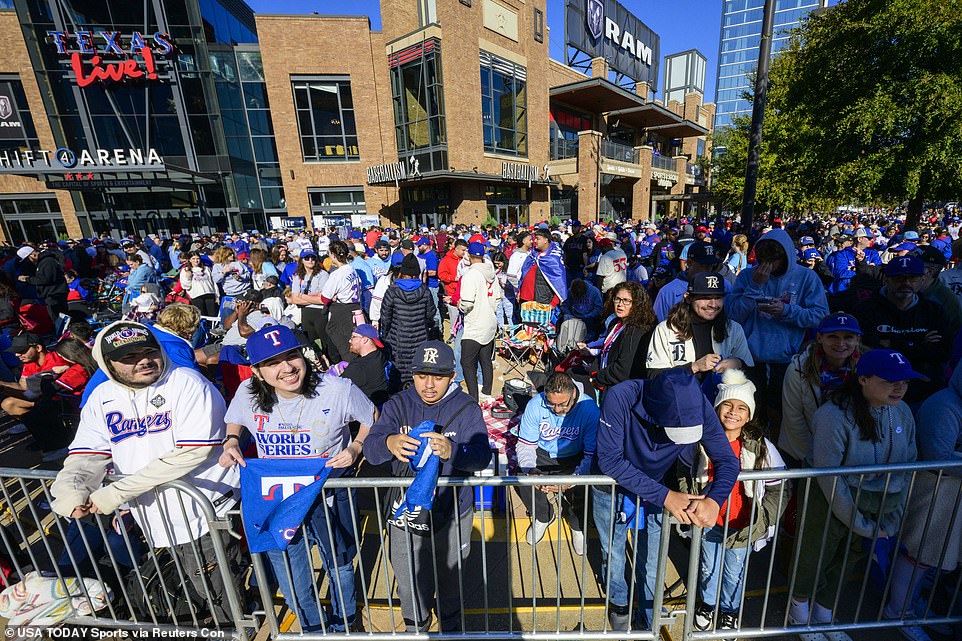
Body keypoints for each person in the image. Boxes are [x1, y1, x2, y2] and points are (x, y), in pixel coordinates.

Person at [50, 322, 241, 624]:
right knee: (189, 581)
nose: (143, 360)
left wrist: (116, 492)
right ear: (107, 363)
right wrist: (71, 487)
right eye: (129, 357)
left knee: (216, 587)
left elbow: (192, 452)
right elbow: (87, 453)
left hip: (204, 509)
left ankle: (233, 627)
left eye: (149, 351)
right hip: (153, 513)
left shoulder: (187, 383)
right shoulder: (102, 397)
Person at [220, 324, 374, 633]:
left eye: (292, 356)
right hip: (279, 501)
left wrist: (356, 446)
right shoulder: (247, 393)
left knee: (340, 565)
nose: (287, 368)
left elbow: (371, 418)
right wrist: (231, 440)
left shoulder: (338, 389)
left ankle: (345, 622)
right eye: (273, 362)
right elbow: (234, 421)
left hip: (328, 494)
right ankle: (312, 627)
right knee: (292, 573)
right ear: (258, 371)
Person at [789, 349, 920, 641]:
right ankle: (799, 614)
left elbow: (909, 463)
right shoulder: (833, 416)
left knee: (849, 557)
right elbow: (830, 478)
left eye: (905, 381)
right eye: (890, 380)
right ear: (863, 379)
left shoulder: (903, 412)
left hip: (876, 501)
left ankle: (825, 614)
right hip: (829, 497)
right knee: (815, 556)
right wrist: (860, 523)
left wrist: (893, 514)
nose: (900, 387)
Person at [594, 369, 739, 631]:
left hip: (657, 490)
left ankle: (650, 617)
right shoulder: (620, 396)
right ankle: (619, 604)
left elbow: (728, 459)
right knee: (612, 553)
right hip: (611, 488)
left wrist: (714, 500)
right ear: (654, 411)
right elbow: (610, 460)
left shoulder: (697, 402)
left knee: (651, 560)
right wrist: (666, 496)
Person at [363, 341, 491, 633]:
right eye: (422, 376)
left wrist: (454, 451)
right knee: (408, 577)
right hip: (405, 513)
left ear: (452, 376)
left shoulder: (466, 407)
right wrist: (389, 442)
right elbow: (371, 449)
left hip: (453, 510)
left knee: (451, 576)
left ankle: (450, 623)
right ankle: (416, 624)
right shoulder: (399, 404)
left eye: (439, 377)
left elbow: (483, 455)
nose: (429, 385)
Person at [682, 370, 789, 635]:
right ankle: (707, 605)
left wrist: (765, 519)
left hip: (743, 524)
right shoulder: (700, 441)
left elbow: (781, 486)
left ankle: (729, 612)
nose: (733, 412)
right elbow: (684, 473)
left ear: (750, 414)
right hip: (709, 521)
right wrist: (691, 504)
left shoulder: (761, 446)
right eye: (727, 405)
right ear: (717, 407)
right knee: (708, 567)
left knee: (734, 572)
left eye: (741, 407)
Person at [726, 229, 829, 435]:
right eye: (764, 259)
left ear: (788, 256)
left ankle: (776, 453)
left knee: (779, 413)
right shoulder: (748, 275)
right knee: (751, 413)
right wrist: (755, 286)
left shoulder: (806, 277)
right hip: (750, 358)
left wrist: (787, 311)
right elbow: (733, 316)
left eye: (775, 259)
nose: (769, 265)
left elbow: (821, 316)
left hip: (786, 359)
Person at [886, 362, 962, 641]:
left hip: (950, 495)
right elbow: (936, 455)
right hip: (933, 492)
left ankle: (909, 606)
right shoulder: (945, 405)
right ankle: (897, 612)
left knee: (928, 560)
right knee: (917, 556)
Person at [516, 372, 598, 555]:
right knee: (523, 477)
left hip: (574, 455)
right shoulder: (535, 404)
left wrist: (574, 479)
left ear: (574, 395)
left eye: (563, 404)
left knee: (583, 487)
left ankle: (577, 524)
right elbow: (525, 445)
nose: (557, 410)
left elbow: (591, 454)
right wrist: (531, 471)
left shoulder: (589, 409)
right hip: (543, 454)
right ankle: (543, 516)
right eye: (551, 403)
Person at [852, 255, 952, 405]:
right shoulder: (865, 310)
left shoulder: (934, 311)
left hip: (925, 393)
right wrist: (921, 345)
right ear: (887, 279)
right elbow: (868, 351)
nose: (906, 283)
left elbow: (943, 352)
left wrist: (891, 344)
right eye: (899, 278)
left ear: (922, 280)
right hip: (878, 396)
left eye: (912, 278)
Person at [779, 313, 862, 468]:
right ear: (819, 338)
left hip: (851, 452)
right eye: (833, 336)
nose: (841, 343)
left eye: (848, 337)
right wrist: (815, 458)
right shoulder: (798, 368)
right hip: (804, 452)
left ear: (857, 340)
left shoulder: (867, 368)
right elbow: (794, 418)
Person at [646, 272, 753, 379]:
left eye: (718, 297)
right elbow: (654, 376)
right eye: (705, 297)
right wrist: (694, 367)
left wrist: (739, 364)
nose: (713, 304)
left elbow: (753, 373)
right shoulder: (666, 329)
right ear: (688, 298)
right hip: (682, 395)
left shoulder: (733, 329)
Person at [1, 333, 87, 460]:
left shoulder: (56, 362)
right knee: (9, 404)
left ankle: (60, 443)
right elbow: (25, 388)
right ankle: (46, 438)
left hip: (64, 402)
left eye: (22, 351)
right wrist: (3, 386)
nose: (17, 355)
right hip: (48, 398)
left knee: (36, 411)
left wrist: (4, 387)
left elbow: (40, 392)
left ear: (38, 348)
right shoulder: (29, 361)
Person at [576, 281, 655, 398]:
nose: (620, 304)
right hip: (607, 382)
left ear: (637, 304)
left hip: (622, 391)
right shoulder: (615, 323)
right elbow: (607, 349)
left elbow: (623, 368)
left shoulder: (637, 330)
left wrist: (597, 377)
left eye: (626, 301)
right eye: (617, 299)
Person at [380, 254, 439, 385]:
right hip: (420, 338)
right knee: (417, 372)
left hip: (398, 339)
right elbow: (431, 314)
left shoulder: (392, 291)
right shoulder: (425, 291)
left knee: (398, 375)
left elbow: (385, 317)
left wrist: (385, 337)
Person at [458, 241, 502, 402]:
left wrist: (460, 306)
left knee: (467, 362)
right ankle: (487, 392)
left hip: (475, 324)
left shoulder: (470, 274)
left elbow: (467, 303)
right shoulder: (491, 273)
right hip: (490, 320)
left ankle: (473, 398)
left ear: (468, 255)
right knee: (485, 360)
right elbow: (498, 298)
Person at [653, 242, 729, 323]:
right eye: (704, 265)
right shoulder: (668, 291)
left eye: (711, 265)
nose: (708, 269)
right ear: (689, 262)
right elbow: (658, 323)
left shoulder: (724, 285)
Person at [320, 241, 363, 364]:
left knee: (346, 347)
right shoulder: (353, 270)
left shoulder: (337, 274)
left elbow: (325, 298)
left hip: (343, 313)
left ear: (333, 255)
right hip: (356, 308)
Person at [340, 324, 398, 407]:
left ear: (365, 340)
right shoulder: (381, 356)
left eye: (353, 337)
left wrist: (332, 370)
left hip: (365, 412)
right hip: (383, 405)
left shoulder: (358, 367)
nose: (350, 340)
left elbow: (336, 388)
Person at [290, 251, 330, 353]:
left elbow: (322, 299)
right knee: (312, 343)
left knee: (326, 342)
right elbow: (294, 299)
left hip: (320, 313)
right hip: (305, 313)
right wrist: (313, 298)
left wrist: (302, 296)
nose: (310, 260)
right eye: (307, 258)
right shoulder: (298, 276)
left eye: (312, 258)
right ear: (302, 260)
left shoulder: (323, 274)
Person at [18, 245, 68, 323]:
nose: (29, 262)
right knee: (57, 319)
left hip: (55, 295)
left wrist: (27, 279)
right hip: (51, 294)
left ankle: (63, 334)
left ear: (33, 255)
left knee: (59, 320)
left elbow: (45, 279)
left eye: (28, 259)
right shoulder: (43, 262)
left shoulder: (47, 261)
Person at [519, 229, 567, 307]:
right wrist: (519, 291)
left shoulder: (553, 258)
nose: (534, 241)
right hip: (525, 300)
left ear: (545, 240)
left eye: (537, 238)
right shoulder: (533, 255)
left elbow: (559, 282)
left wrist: (554, 303)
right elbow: (523, 274)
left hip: (543, 301)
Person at [556, 278, 604, 352]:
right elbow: (564, 305)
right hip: (573, 316)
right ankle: (566, 344)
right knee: (566, 319)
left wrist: (588, 316)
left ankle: (586, 342)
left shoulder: (594, 292)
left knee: (590, 323)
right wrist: (569, 314)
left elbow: (598, 308)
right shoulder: (570, 291)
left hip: (588, 318)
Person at [180, 251, 219, 317]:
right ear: (189, 260)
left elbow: (213, 283)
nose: (196, 260)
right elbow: (185, 286)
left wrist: (217, 296)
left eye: (197, 258)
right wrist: (188, 277)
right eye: (193, 259)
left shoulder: (206, 269)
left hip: (209, 294)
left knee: (212, 315)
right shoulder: (185, 270)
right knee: (202, 316)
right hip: (197, 296)